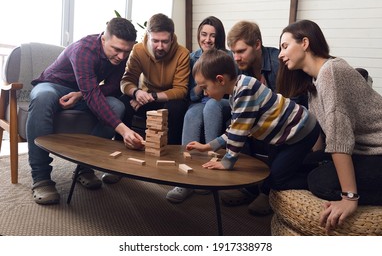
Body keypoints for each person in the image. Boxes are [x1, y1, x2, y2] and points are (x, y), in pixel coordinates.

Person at [278, 19, 382, 233]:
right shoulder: (313, 85)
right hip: (366, 151)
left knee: (322, 182)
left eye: (285, 46)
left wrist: (349, 196)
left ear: (304, 43)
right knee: (299, 167)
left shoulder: (332, 71)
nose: (280, 55)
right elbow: (320, 137)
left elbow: (339, 137)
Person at [186, 48, 320, 215]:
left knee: (277, 179)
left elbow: (238, 133)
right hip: (284, 135)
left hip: (301, 131)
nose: (205, 93)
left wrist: (227, 162)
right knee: (272, 170)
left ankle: (318, 174)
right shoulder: (238, 91)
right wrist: (208, 147)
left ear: (220, 80)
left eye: (205, 87)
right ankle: (263, 187)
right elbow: (234, 129)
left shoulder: (245, 90)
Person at [27, 17, 144, 205]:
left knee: (117, 105)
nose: (122, 57)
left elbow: (113, 86)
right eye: (117, 49)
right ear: (104, 39)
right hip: (53, 86)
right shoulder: (84, 49)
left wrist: (80, 94)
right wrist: (123, 130)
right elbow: (93, 93)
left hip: (81, 92)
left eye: (126, 51)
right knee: (42, 97)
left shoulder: (120, 55)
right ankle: (41, 178)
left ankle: (85, 168)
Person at [103, 13, 190, 184]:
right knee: (122, 103)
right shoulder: (138, 50)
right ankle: (120, 162)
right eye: (155, 40)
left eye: (164, 41)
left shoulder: (182, 54)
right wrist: (136, 93)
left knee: (177, 107)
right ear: (148, 36)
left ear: (171, 39)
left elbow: (181, 90)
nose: (159, 46)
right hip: (146, 97)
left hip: (167, 99)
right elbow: (126, 81)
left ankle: (169, 165)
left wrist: (151, 96)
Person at [165, 16, 233, 203]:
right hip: (199, 102)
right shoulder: (192, 57)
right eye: (204, 34)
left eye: (212, 35)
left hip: (222, 101)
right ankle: (185, 181)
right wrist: (201, 83)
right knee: (191, 113)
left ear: (219, 38)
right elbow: (191, 95)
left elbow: (233, 90)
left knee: (211, 105)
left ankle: (211, 172)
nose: (207, 39)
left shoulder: (228, 57)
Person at [219, 20, 281, 213]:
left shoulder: (279, 64)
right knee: (234, 124)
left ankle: (267, 191)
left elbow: (288, 105)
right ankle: (248, 187)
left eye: (241, 51)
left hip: (280, 119)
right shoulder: (240, 67)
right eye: (233, 52)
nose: (236, 57)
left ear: (257, 45)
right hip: (256, 118)